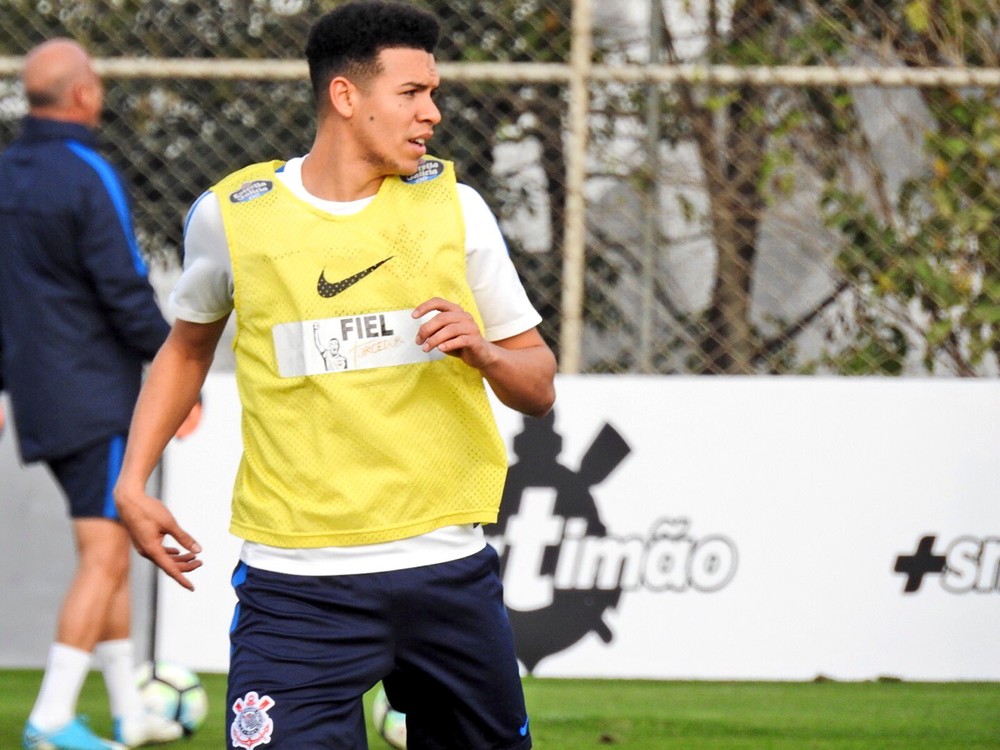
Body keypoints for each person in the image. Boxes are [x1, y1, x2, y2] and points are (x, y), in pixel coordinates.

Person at [113, 1, 557, 748]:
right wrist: (132, 481)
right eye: (412, 94)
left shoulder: (460, 211)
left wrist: (485, 352)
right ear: (346, 97)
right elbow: (186, 349)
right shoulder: (232, 217)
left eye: (433, 93)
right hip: (295, 590)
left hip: (444, 574)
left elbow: (538, 384)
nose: (433, 114)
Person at [0, 39, 186, 750]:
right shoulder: (88, 173)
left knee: (104, 544)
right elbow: (124, 289)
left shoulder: (6, 173)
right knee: (107, 556)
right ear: (82, 94)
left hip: (40, 396)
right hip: (95, 395)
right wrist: (178, 376)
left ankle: (129, 710)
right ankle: (50, 719)